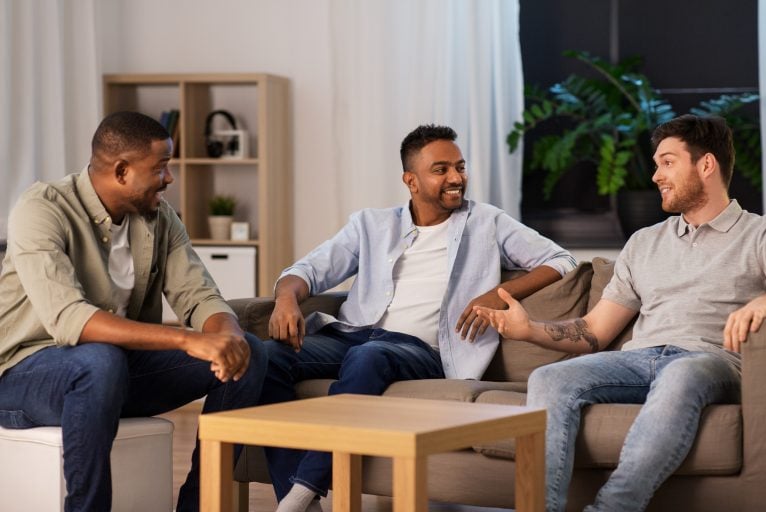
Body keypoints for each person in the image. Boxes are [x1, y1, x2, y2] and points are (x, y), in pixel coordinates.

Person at [474, 114, 766, 512]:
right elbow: (594, 331)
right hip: (639, 360)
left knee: (683, 371)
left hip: (710, 361)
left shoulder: (762, 233)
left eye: (667, 162)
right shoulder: (644, 242)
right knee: (548, 378)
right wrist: (528, 330)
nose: (655, 176)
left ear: (707, 165)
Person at [262, 124, 576, 511]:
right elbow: (307, 271)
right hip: (354, 335)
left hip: (421, 351)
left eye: (460, 167)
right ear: (411, 180)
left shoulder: (487, 222)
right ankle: (297, 501)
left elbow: (562, 260)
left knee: (370, 357)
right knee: (268, 357)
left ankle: (303, 488)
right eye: (441, 169)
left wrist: (498, 294)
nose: (457, 178)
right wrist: (286, 300)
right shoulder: (371, 225)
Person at [0, 111, 268, 512]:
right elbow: (71, 318)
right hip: (26, 376)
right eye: (160, 168)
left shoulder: (160, 218)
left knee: (250, 351)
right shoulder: (42, 209)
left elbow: (200, 296)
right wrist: (188, 339)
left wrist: (225, 335)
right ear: (122, 171)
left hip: (112, 373)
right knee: (99, 359)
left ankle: (202, 505)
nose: (170, 179)